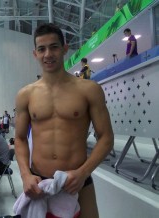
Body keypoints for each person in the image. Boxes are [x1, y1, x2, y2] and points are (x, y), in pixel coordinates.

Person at [14, 23, 114, 218]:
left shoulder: (89, 90)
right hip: (38, 183)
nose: (48, 54)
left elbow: (106, 137)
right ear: (35, 53)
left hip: (78, 181)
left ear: (65, 49)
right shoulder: (26, 95)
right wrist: (25, 175)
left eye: (54, 47)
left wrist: (84, 173)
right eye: (41, 49)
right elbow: (19, 138)